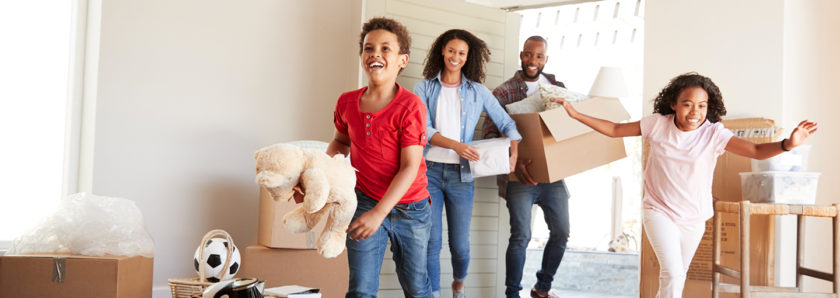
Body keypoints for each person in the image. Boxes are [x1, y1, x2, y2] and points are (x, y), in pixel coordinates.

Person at [552, 72, 818, 298]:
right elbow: (613, 129)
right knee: (673, 273)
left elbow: (757, 150)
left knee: (675, 278)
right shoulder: (657, 125)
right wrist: (575, 114)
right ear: (674, 104)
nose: (695, 112)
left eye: (702, 106)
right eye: (688, 104)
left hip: (695, 217)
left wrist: (787, 145)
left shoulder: (714, 134)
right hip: (659, 210)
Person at [327, 17, 433, 298]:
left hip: (412, 208)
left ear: (402, 60)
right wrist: (323, 180)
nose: (375, 53)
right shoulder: (346, 102)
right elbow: (340, 142)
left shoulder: (411, 106)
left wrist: (380, 213)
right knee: (360, 290)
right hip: (364, 200)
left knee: (417, 289)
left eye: (386, 49)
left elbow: (410, 167)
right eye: (368, 48)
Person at [414, 29, 522, 298]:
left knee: (460, 245)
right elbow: (422, 129)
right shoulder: (424, 87)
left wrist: (514, 153)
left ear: (467, 57)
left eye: (461, 53)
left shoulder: (478, 92)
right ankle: (434, 294)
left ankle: (458, 286)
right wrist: (458, 146)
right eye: (451, 50)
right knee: (432, 243)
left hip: (462, 177)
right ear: (442, 50)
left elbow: (508, 124)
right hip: (429, 174)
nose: (455, 57)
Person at [481, 36, 569, 298]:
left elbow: (567, 128)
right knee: (521, 236)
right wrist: (513, 161)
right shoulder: (504, 92)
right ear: (521, 55)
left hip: (553, 176)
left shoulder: (558, 88)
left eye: (539, 56)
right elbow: (488, 134)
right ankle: (512, 294)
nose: (533, 61)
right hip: (519, 177)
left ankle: (542, 288)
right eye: (529, 55)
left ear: (546, 59)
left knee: (562, 232)